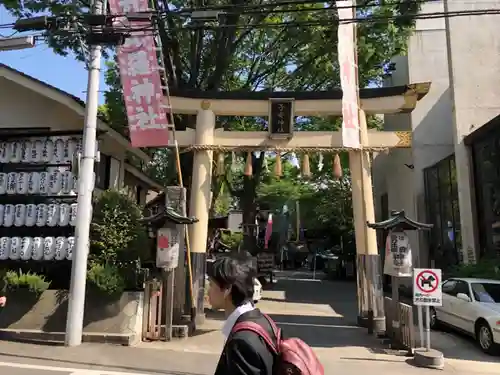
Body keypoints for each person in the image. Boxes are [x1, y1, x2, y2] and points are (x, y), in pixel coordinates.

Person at [208, 255, 276, 375]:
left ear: (227, 290)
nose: (208, 291)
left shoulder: (241, 343)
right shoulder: (263, 321)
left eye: (211, 285)